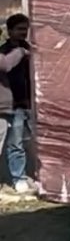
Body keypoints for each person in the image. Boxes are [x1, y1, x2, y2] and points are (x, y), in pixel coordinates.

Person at [0, 13, 32, 194]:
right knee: (15, 143)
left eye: (25, 29)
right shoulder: (4, 51)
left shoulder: (30, 48)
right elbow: (6, 66)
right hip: (10, 105)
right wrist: (21, 53)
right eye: (19, 29)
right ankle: (18, 178)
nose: (23, 33)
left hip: (26, 103)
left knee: (26, 143)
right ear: (10, 31)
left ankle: (25, 177)